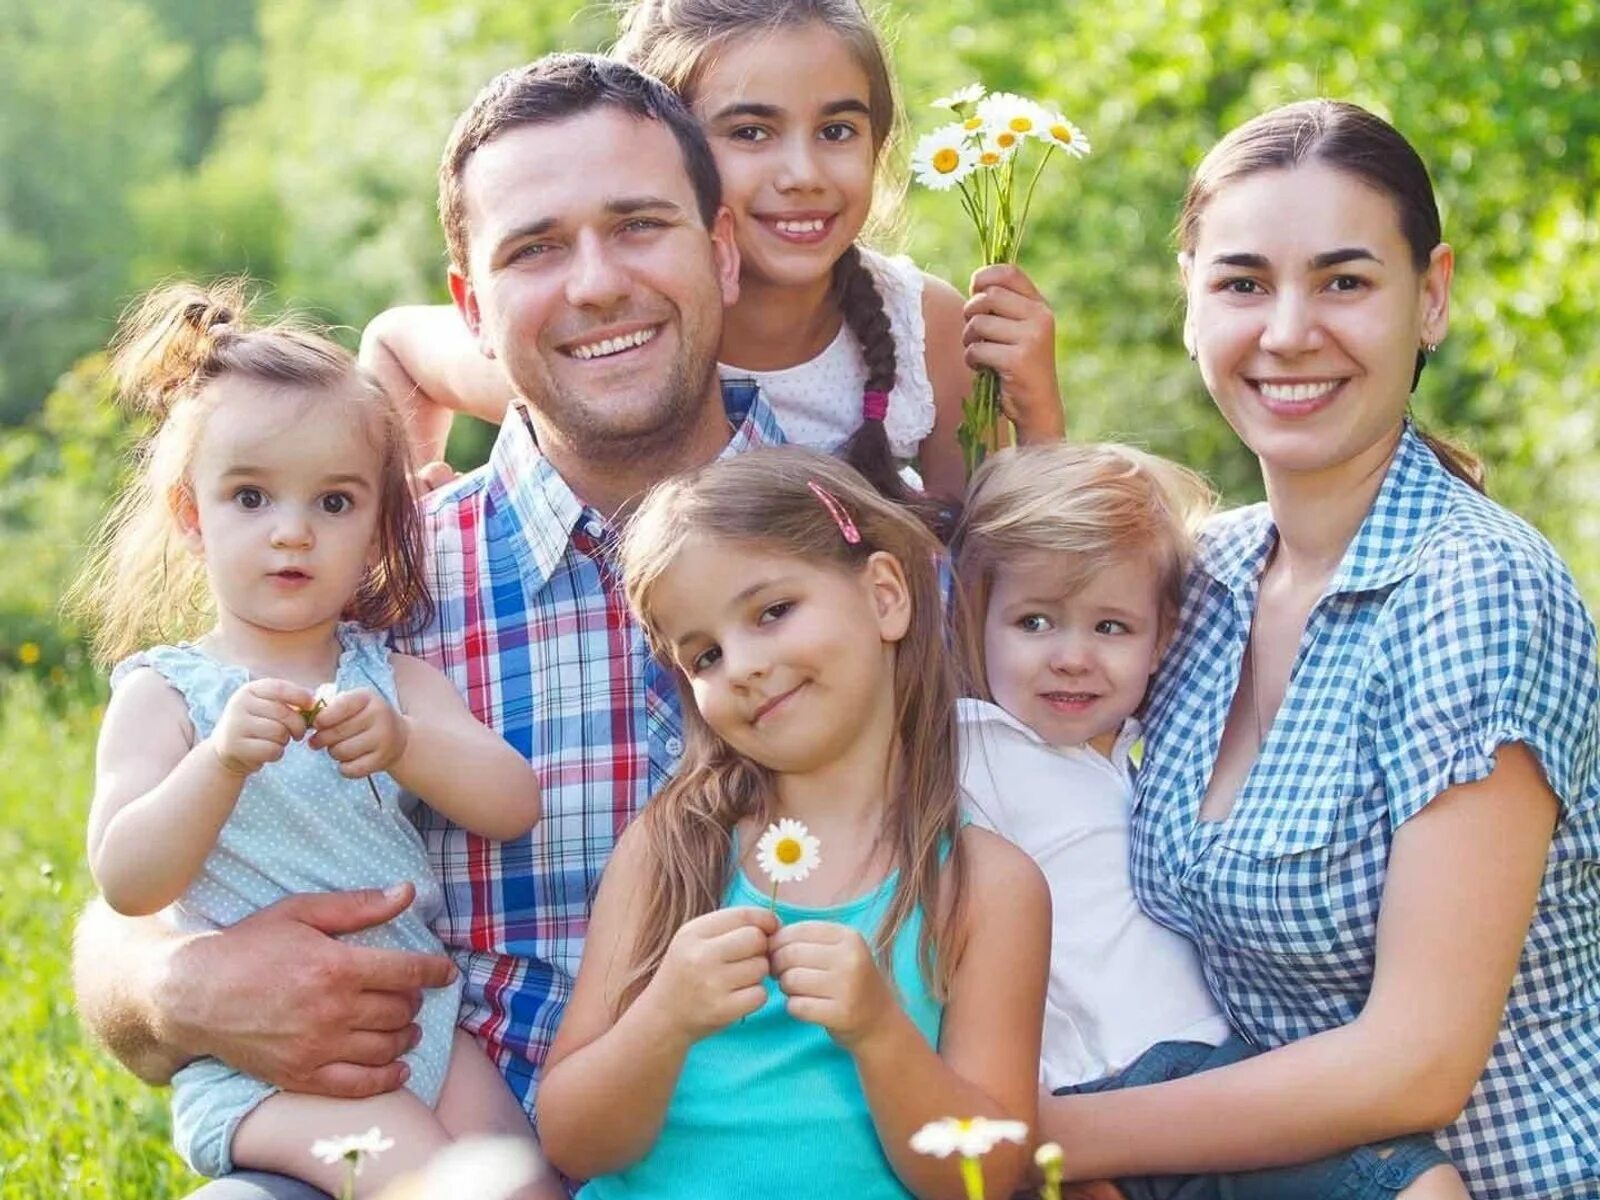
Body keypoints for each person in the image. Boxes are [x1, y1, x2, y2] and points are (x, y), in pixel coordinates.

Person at [71, 54, 796, 1200]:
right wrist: (174, 987)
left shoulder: (879, 561)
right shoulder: (368, 584)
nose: (597, 283)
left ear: (719, 252)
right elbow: (142, 890)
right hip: (444, 1121)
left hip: (810, 1145)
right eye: (536, 248)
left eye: (639, 225)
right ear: (471, 306)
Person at [1036, 99, 1600, 1200]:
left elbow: (1416, 1067)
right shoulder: (1202, 580)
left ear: (1428, 298)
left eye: (1343, 281)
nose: (1288, 331)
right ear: (1190, 307)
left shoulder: (1475, 590)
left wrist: (1042, 1138)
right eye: (1242, 284)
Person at [70, 281, 545, 1196]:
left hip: (424, 1024)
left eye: (334, 503)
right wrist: (219, 763)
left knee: (520, 1182)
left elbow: (511, 802)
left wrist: (408, 744)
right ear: (190, 514)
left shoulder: (393, 679)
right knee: (434, 1182)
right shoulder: (167, 694)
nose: (293, 532)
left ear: (378, 525)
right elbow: (128, 879)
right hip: (270, 1068)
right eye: (251, 498)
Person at [953, 441, 1465, 1198]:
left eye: (1110, 629)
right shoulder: (974, 748)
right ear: (977, 620)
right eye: (1033, 623)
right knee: (1408, 1184)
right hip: (1101, 1087)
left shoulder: (1143, 749)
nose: (1071, 657)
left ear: (1163, 638)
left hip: (1206, 1083)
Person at [536, 448, 1048, 1199]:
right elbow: (574, 1140)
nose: (740, 665)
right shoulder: (675, 847)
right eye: (705, 655)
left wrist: (880, 1032)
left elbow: (986, 1174)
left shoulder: (986, 886)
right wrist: (665, 1018)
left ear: (883, 597)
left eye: (773, 612)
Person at [360, 0, 1065, 503]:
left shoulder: (923, 327)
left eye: (838, 130)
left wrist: (1039, 418)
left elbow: (979, 565)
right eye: (751, 133)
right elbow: (394, 347)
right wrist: (401, 510)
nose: (803, 173)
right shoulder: (616, 341)